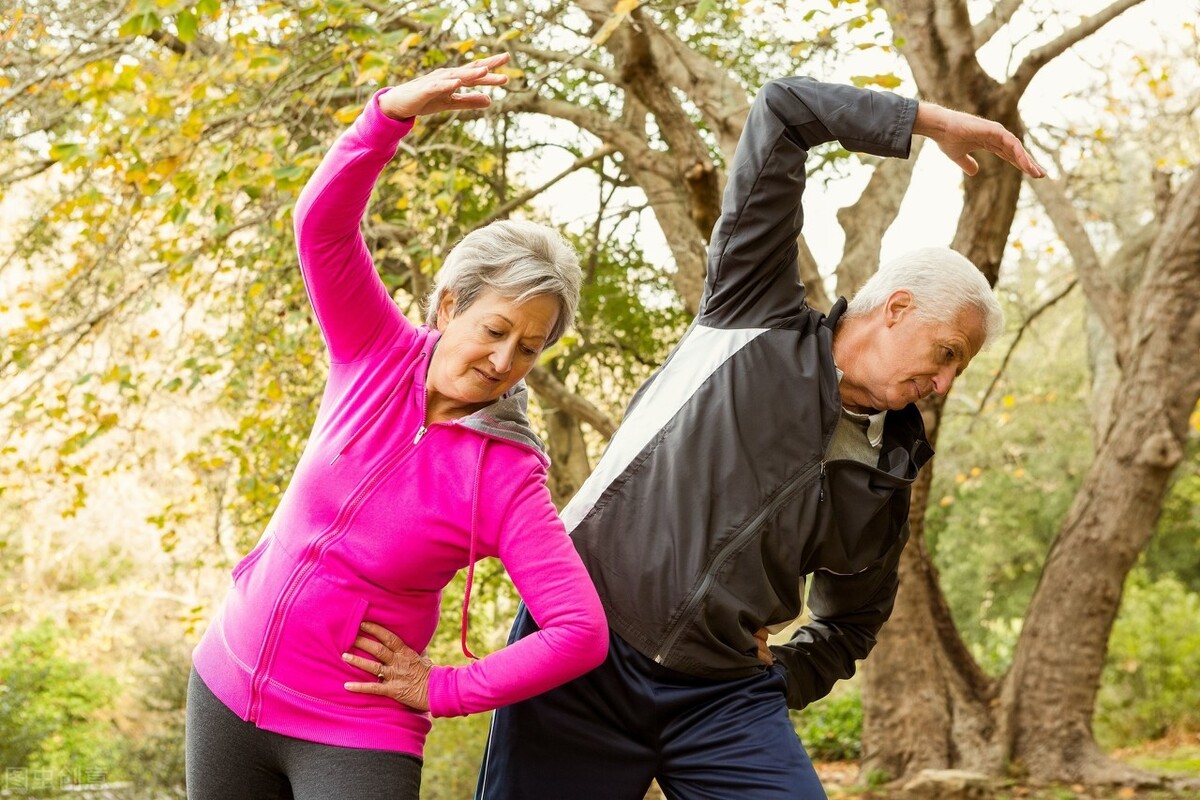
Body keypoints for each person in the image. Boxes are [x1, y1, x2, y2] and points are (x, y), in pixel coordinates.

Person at [474, 75, 1045, 799]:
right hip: (584, 647)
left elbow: (852, 620)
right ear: (897, 308)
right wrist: (928, 123)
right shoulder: (755, 309)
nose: (945, 385)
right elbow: (785, 110)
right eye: (946, 355)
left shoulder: (889, 467)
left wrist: (784, 675)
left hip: (722, 701)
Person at [184, 53, 607, 799]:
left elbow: (579, 632)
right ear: (448, 307)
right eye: (494, 329)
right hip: (225, 687)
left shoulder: (508, 476)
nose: (505, 359)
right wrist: (391, 113)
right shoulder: (373, 350)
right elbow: (320, 228)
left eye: (529, 348)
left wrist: (444, 686)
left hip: (353, 731)